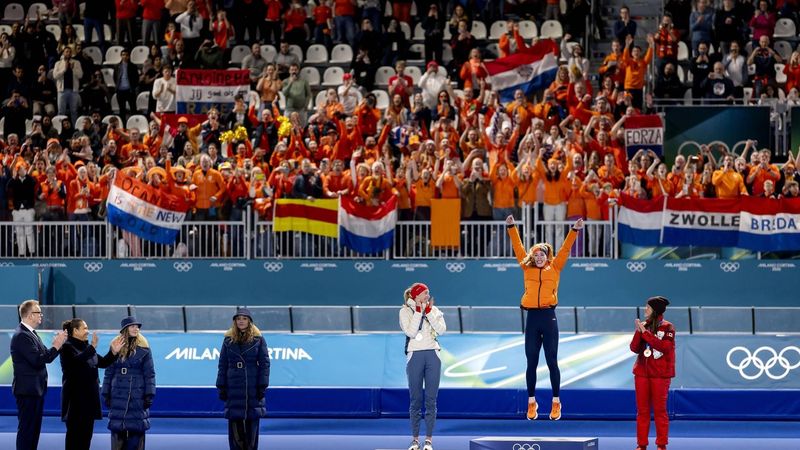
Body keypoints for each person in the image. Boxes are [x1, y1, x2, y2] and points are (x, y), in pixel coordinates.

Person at [505, 216, 584, 421]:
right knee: (531, 361)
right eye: (536, 254)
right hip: (532, 318)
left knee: (551, 360)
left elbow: (565, 249)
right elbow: (518, 246)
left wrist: (574, 230)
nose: (539, 257)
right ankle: (532, 403)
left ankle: (556, 402)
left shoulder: (555, 267)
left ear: (547, 257)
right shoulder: (526, 267)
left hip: (549, 317)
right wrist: (511, 227)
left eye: (542, 254)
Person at [11, 300, 68, 450]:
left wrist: (59, 345)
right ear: (30, 315)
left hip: (35, 391)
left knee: (33, 431)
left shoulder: (30, 334)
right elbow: (38, 360)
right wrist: (57, 345)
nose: (41, 315)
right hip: (28, 391)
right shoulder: (22, 336)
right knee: (27, 431)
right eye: (38, 312)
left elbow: (45, 356)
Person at [60, 319, 124, 450]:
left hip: (89, 401)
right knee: (74, 439)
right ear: (75, 331)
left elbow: (103, 362)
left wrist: (113, 353)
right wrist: (92, 347)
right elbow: (76, 363)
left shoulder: (86, 347)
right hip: (75, 403)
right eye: (85, 328)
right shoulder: (66, 347)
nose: (87, 331)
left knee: (86, 438)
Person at [400, 283, 446, 450]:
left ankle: (428, 440)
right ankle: (414, 440)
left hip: (433, 354)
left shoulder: (434, 309)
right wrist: (419, 312)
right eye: (425, 293)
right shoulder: (404, 311)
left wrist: (429, 313)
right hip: (415, 355)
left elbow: (441, 330)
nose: (428, 296)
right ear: (416, 295)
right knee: (415, 400)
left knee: (431, 400)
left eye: (428, 293)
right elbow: (411, 332)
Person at [216, 308, 270, 450]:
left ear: (250, 321)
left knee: (252, 428)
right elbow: (222, 364)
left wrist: (262, 386)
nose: (241, 321)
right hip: (233, 386)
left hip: (252, 386)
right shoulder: (228, 340)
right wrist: (221, 386)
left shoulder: (259, 340)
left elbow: (265, 364)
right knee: (235, 428)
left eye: (244, 318)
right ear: (235, 321)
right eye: (238, 318)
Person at [102, 316, 156, 450]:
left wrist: (149, 394)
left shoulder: (145, 349)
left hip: (137, 394)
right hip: (118, 393)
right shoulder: (115, 347)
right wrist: (106, 393)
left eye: (137, 326)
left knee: (136, 433)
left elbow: (149, 374)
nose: (136, 328)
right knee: (117, 432)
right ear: (125, 329)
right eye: (132, 326)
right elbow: (109, 372)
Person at [630, 296, 676, 450]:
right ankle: (641, 445)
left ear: (655, 310)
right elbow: (634, 348)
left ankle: (661, 445)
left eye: (648, 307)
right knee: (642, 411)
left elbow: (664, 347)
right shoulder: (644, 326)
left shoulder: (668, 327)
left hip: (660, 376)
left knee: (660, 411)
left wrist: (646, 333)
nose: (645, 310)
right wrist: (639, 332)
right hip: (642, 374)